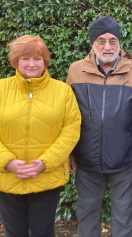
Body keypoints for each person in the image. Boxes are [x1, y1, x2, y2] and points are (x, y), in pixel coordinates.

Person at [66, 15, 132, 237]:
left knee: (124, 214)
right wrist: (70, 152)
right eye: (101, 40)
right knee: (87, 213)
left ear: (120, 43)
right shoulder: (75, 71)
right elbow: (69, 116)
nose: (108, 46)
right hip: (86, 159)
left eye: (113, 40)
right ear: (93, 43)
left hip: (125, 159)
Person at [0, 35, 81, 237]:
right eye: (25, 58)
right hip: (7, 178)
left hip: (46, 176)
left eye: (37, 58)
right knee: (14, 233)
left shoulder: (63, 91)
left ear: (45, 61)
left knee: (43, 231)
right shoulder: (1, 89)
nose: (32, 64)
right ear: (15, 61)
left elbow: (71, 130)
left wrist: (46, 162)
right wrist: (6, 161)